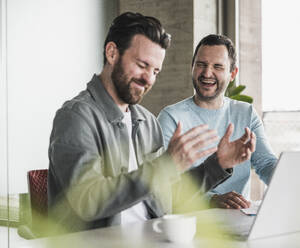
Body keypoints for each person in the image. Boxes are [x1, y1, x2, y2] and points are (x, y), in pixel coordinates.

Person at [48, 14, 256, 233]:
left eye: (155, 71)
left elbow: (166, 200)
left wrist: (218, 164)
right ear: (112, 53)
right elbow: (87, 201)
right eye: (142, 65)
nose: (149, 79)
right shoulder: (76, 117)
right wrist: (165, 165)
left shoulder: (146, 121)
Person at [158, 34, 277, 209]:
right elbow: (163, 186)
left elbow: (266, 163)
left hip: (240, 218)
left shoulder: (246, 113)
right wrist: (210, 200)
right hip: (192, 222)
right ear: (192, 67)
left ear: (232, 74)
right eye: (201, 64)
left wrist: (290, 180)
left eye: (218, 67)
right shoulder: (171, 117)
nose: (207, 73)